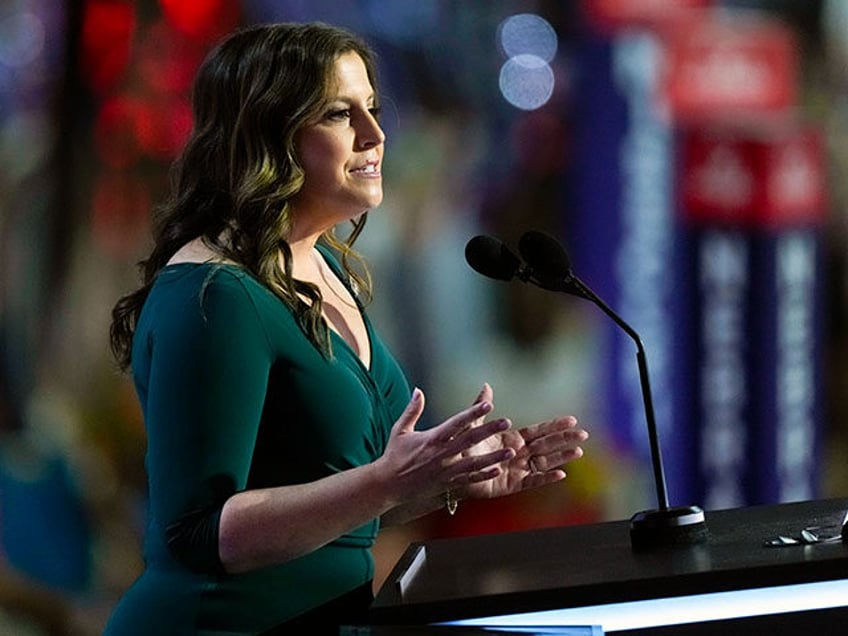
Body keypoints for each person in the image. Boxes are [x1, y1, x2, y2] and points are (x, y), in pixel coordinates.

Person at [104, 21, 588, 635]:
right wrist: (388, 481)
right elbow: (200, 533)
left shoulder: (327, 264)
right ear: (269, 133)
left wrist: (443, 477)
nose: (376, 135)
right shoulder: (216, 295)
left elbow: (346, 500)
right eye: (339, 114)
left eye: (374, 108)